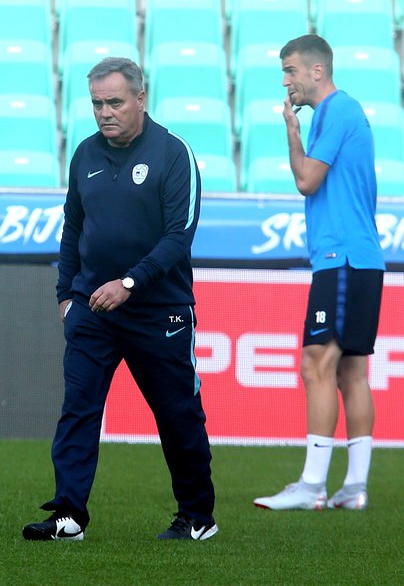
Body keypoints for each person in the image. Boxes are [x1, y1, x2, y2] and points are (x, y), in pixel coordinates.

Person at [22, 57, 216, 541]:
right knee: (79, 409)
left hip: (160, 312)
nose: (104, 112)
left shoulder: (174, 154)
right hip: (92, 310)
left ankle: (197, 516)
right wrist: (67, 294)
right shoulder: (85, 154)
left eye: (114, 101)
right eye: (96, 103)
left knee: (177, 415)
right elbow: (73, 226)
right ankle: (69, 513)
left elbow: (179, 237)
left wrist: (129, 283)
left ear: (140, 100)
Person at [254, 34, 384, 511]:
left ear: (316, 71)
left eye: (289, 71)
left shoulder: (335, 111)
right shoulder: (346, 111)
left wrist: (291, 130)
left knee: (317, 362)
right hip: (360, 257)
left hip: (343, 258)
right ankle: (355, 487)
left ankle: (312, 485)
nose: (285, 81)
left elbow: (307, 180)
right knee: (352, 370)